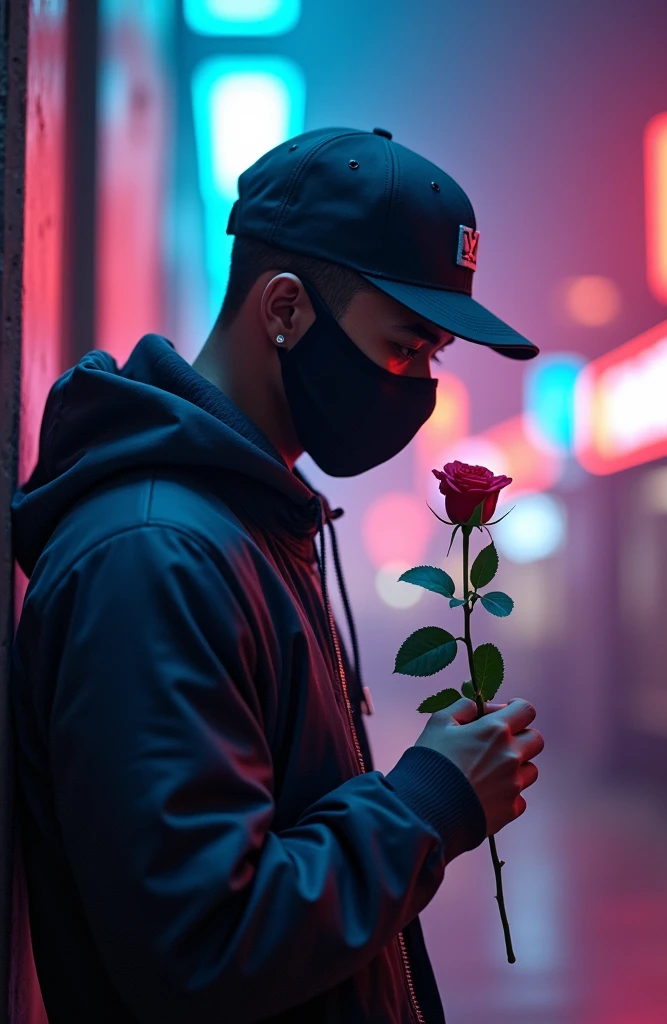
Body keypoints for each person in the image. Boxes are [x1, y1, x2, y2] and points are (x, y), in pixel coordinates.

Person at [10, 126, 545, 1024]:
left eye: (432, 360)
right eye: (403, 347)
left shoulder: (255, 522)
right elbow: (202, 946)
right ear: (286, 309)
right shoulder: (156, 557)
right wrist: (427, 804)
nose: (418, 387)